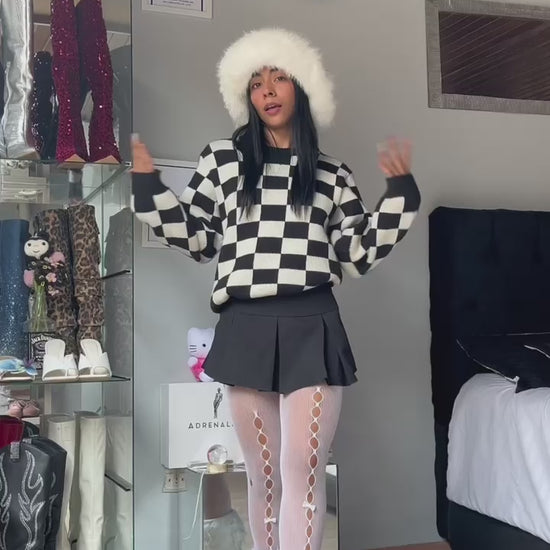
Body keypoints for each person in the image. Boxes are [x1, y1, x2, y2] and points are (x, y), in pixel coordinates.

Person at [131, 28, 420, 550]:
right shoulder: (222, 160)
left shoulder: (332, 174)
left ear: (301, 86)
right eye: (256, 82)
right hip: (245, 325)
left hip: (314, 325)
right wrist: (149, 187)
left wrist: (401, 195)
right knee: (263, 478)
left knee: (303, 471)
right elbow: (198, 238)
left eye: (279, 77)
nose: (266, 90)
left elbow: (357, 252)